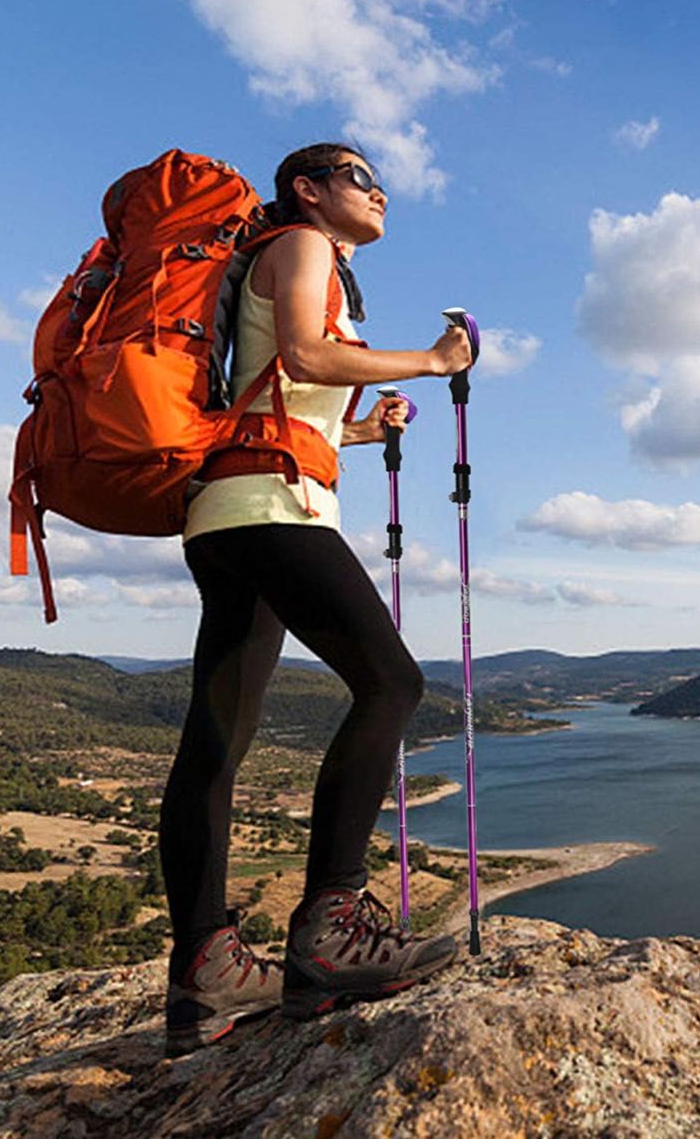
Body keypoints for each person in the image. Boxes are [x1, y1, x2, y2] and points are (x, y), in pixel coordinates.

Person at [160, 142, 474, 1055]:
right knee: (392, 684)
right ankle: (331, 930)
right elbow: (304, 349)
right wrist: (429, 359)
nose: (379, 193)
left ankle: (204, 974)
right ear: (309, 189)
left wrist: (369, 425)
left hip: (227, 512)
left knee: (218, 739)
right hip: (270, 504)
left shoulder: (294, 261)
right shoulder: (300, 246)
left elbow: (290, 384)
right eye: (359, 178)